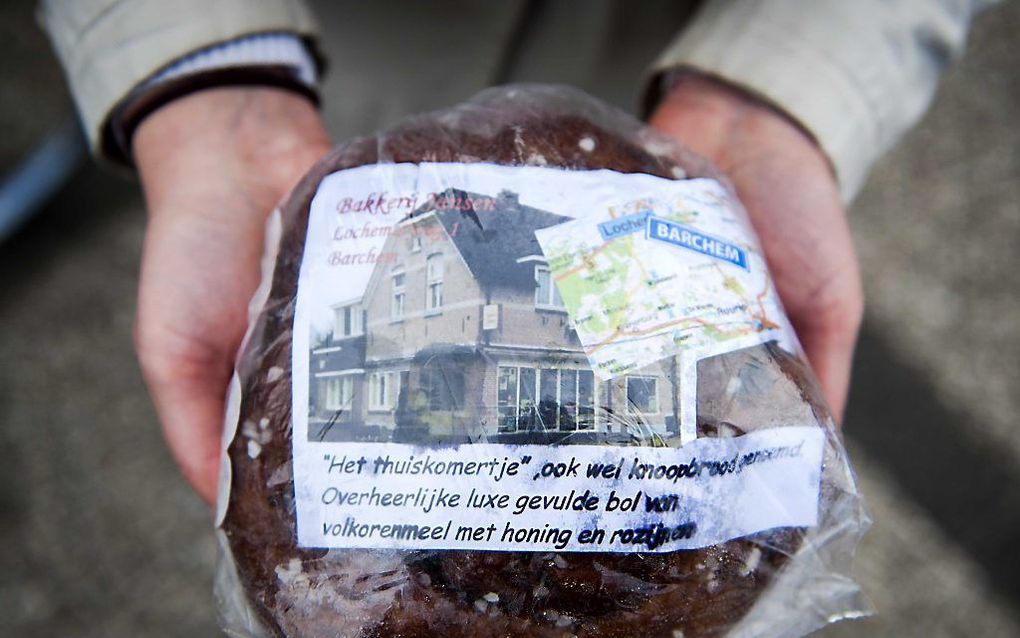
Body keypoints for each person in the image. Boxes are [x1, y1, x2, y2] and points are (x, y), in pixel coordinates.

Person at [40, 0, 996, 504]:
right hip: (328, 71)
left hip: (683, 79)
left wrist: (787, 84)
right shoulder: (389, 247)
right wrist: (208, 75)